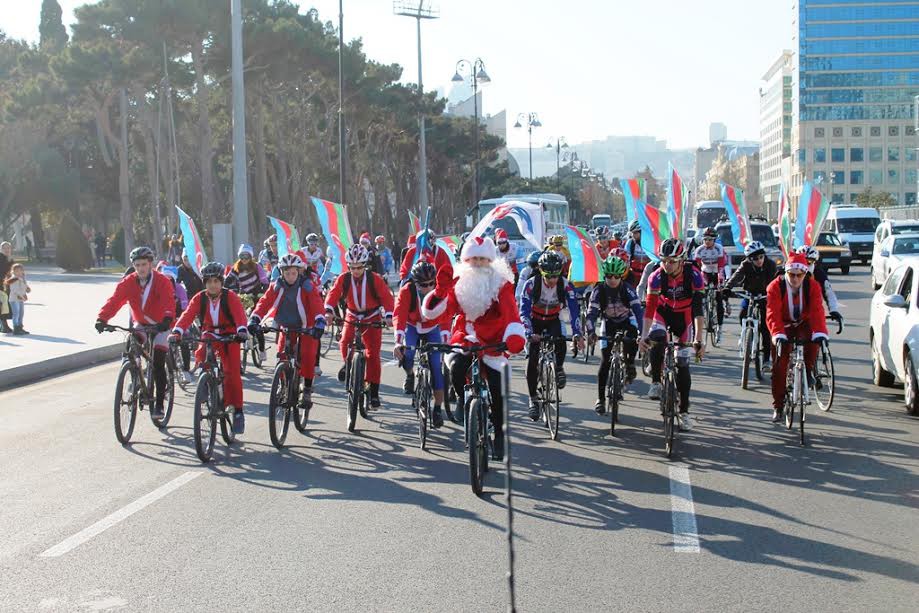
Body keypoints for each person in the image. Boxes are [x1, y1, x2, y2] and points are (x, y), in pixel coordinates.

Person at [420, 236, 526, 459]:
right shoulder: (459, 281)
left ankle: (498, 436)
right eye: (473, 258)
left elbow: (511, 313)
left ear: (490, 260)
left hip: (494, 339)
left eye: (482, 258)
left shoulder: (501, 284)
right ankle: (460, 397)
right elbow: (434, 314)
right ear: (466, 260)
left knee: (497, 390)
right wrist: (439, 293)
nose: (477, 263)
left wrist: (514, 335)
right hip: (466, 335)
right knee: (456, 365)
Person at [96, 247, 176, 420]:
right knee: (132, 340)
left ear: (151, 264)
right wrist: (102, 319)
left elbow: (169, 301)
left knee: (158, 362)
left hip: (161, 324)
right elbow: (115, 301)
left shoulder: (162, 281)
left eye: (144, 264)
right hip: (141, 323)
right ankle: (134, 371)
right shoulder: (128, 282)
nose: (141, 268)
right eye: (137, 265)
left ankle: (160, 403)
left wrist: (167, 319)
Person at [171, 262, 250, 434]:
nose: (212, 285)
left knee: (232, 373)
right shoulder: (199, 298)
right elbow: (187, 315)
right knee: (201, 351)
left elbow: (240, 317)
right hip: (209, 334)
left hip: (230, 335)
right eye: (209, 281)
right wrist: (177, 331)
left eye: (216, 281)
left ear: (221, 282)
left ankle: (237, 411)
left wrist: (241, 331)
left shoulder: (231, 297)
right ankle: (205, 383)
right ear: (204, 283)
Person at [638, 238, 705, 431]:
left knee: (683, 365)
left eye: (672, 261)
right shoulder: (656, 276)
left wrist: (699, 339)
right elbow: (649, 310)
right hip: (663, 313)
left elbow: (699, 310)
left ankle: (684, 412)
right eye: (664, 260)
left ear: (682, 260)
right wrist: (644, 336)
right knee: (657, 337)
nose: (667, 265)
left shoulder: (694, 276)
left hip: (684, 317)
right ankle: (656, 382)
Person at [324, 243, 394, 417]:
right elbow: (332, 295)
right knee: (344, 342)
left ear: (365, 265)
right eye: (352, 267)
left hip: (372, 317)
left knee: (372, 354)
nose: (356, 270)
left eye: (359, 267)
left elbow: (387, 298)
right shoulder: (344, 278)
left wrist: (389, 315)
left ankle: (374, 392)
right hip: (352, 316)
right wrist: (328, 311)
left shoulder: (374, 278)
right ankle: (348, 364)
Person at [249, 254, 326, 411]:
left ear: (299, 272)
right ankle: (283, 384)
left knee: (308, 355)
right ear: (281, 273)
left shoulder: (307, 285)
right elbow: (264, 302)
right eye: (287, 273)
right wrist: (255, 318)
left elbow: (316, 302)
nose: (290, 277)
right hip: (287, 325)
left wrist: (319, 321)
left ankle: (307, 390)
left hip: (307, 325)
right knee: (282, 354)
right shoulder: (276, 285)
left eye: (293, 273)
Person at [519, 250, 584, 420]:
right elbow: (523, 311)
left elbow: (574, 311)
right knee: (532, 358)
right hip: (535, 322)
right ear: (541, 272)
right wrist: (528, 332)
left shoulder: (565, 285)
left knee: (560, 341)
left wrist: (577, 333)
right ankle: (533, 399)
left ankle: (559, 368)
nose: (552, 280)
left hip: (553, 319)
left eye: (556, 276)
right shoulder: (531, 285)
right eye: (548, 276)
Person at [766, 252, 829, 422]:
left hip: (803, 322)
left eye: (799, 275)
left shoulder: (813, 286)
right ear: (785, 273)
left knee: (813, 342)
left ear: (805, 274)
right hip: (783, 324)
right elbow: (773, 313)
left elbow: (817, 311)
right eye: (791, 275)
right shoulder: (775, 286)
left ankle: (808, 371)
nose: (794, 279)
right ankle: (778, 406)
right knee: (779, 366)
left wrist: (820, 333)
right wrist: (777, 334)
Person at [393, 260, 450, 428]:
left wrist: (446, 339)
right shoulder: (406, 291)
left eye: (432, 283)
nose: (429, 287)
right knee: (408, 354)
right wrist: (397, 342)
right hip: (412, 326)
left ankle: (438, 408)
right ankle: (410, 375)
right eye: (424, 285)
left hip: (433, 327)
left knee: (436, 367)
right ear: (416, 283)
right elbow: (399, 316)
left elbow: (446, 316)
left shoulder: (440, 292)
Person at [587, 256, 643, 414]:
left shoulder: (627, 289)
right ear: (604, 276)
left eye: (616, 277)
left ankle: (630, 363)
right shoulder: (598, 291)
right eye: (609, 276)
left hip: (627, 320)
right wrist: (591, 332)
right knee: (605, 361)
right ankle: (600, 398)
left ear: (621, 276)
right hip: (609, 322)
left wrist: (641, 333)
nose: (612, 280)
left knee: (632, 338)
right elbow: (591, 314)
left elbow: (639, 312)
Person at [723, 240, 778, 371]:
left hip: (766, 296)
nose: (759, 260)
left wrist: (775, 295)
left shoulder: (770, 265)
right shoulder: (745, 265)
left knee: (766, 327)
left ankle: (766, 358)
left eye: (761, 257)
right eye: (755, 258)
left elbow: (775, 282)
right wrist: (727, 288)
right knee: (742, 314)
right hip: (750, 294)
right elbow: (736, 277)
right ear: (750, 259)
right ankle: (746, 336)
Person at [225, 243, 269, 360]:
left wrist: (262, 292)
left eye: (247, 257)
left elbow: (265, 282)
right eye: (242, 257)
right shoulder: (236, 267)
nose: (244, 260)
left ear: (251, 257)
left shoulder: (257, 267)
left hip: (256, 295)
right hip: (243, 296)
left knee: (256, 325)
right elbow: (228, 281)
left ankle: (261, 349)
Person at [693, 226, 729, 344]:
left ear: (714, 240)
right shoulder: (699, 250)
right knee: (701, 291)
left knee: (719, 297)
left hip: (718, 271)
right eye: (705, 239)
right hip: (705, 272)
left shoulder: (719, 249)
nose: (707, 242)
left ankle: (719, 327)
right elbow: (697, 268)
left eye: (710, 239)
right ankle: (704, 306)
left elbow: (721, 268)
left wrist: (720, 283)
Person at [796, 245, 843, 325]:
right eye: (802, 261)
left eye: (809, 261)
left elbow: (828, 292)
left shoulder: (819, 273)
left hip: (811, 312)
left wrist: (833, 310)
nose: (805, 265)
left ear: (815, 262)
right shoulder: (788, 271)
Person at [4, 263, 31, 335]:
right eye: (16, 271)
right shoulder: (14, 279)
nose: (18, 272)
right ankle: (16, 328)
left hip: (20, 298)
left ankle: (20, 327)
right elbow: (14, 290)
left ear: (22, 271)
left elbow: (23, 286)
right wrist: (22, 296)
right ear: (13, 271)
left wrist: (27, 289)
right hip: (14, 299)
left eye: (20, 270)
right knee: (16, 314)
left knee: (21, 314)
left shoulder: (22, 278)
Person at [624, 220, 650, 288]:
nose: (633, 235)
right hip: (634, 276)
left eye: (635, 233)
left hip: (648, 275)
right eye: (631, 233)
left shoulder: (650, 243)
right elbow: (626, 259)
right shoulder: (630, 243)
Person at [0, 241, 14, 334]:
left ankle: (3, 325)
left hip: (7, 284)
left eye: (8, 248)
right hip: (1, 284)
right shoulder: (1, 258)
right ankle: (4, 326)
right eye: (4, 248)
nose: (7, 250)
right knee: (3, 305)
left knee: (4, 305)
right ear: (1, 249)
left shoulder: (10, 259)